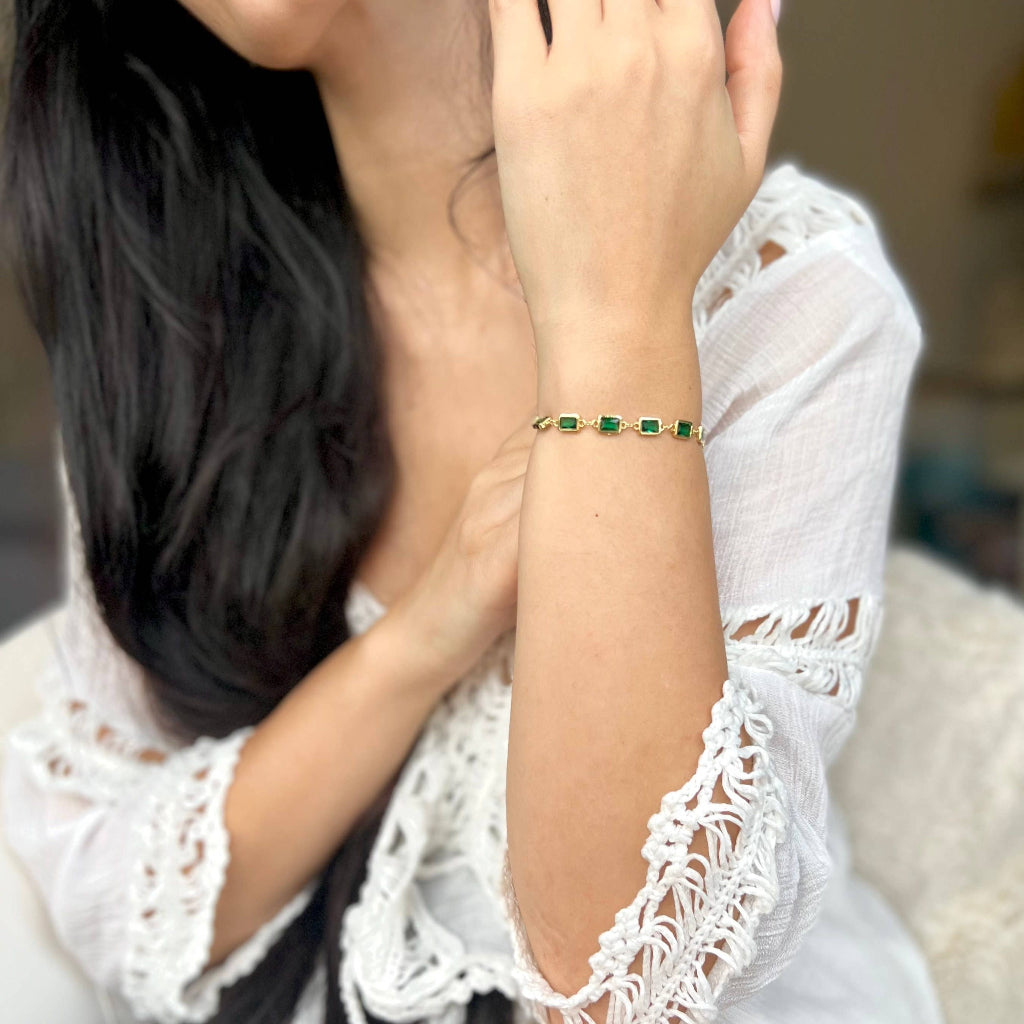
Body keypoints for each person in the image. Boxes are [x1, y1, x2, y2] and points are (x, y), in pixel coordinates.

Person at [0, 0, 948, 1022]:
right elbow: (107, 883)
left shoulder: (788, 295)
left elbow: (628, 977)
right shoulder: (164, 322)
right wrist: (428, 630)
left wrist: (614, 322)